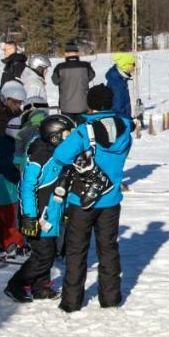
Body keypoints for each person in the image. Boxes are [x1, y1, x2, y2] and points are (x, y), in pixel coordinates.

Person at [42, 85, 133, 312]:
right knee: (108, 249)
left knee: (76, 250)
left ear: (90, 105)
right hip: (111, 199)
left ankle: (72, 301)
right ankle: (111, 298)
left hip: (82, 200)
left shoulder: (84, 130)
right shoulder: (125, 129)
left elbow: (61, 156)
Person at [4, 114, 74, 303]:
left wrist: (65, 210)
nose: (71, 139)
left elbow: (61, 185)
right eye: (67, 135)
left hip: (50, 213)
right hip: (36, 214)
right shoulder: (40, 154)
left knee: (48, 251)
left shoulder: (57, 152)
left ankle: (40, 287)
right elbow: (27, 186)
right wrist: (29, 216)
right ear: (54, 136)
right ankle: (15, 284)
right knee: (44, 254)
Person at [0, 98, 27, 260]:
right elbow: (9, 169)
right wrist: (20, 179)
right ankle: (13, 244)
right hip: (7, 193)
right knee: (10, 221)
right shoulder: (10, 147)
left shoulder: (0, 143)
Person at [53, 43, 95, 121]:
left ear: (65, 53)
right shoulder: (85, 66)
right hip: (83, 105)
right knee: (82, 130)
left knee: (68, 131)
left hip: (66, 106)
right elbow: (91, 76)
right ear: (77, 53)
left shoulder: (60, 67)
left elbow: (55, 81)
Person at [106, 53, 135, 122]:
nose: (134, 67)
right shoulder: (118, 84)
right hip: (121, 123)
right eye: (133, 64)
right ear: (125, 66)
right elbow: (118, 107)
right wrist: (128, 122)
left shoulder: (120, 79)